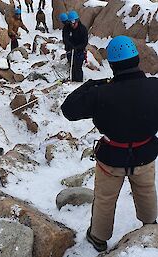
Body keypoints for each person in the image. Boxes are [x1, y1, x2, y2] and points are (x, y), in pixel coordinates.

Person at [61, 35, 158, 252]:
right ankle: (150, 225)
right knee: (146, 190)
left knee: (105, 199)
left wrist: (93, 84)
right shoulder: (155, 87)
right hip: (145, 153)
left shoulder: (101, 93)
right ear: (136, 59)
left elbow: (69, 109)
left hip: (112, 157)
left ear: (112, 65)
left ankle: (98, 237)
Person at [62, 10, 88, 82]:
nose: (72, 25)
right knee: (72, 66)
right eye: (71, 23)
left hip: (79, 51)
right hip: (70, 50)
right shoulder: (67, 28)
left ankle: (79, 81)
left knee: (78, 67)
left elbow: (85, 42)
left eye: (73, 23)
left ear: (77, 21)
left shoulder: (82, 29)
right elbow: (65, 39)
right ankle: (72, 80)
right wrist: (70, 46)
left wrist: (78, 48)